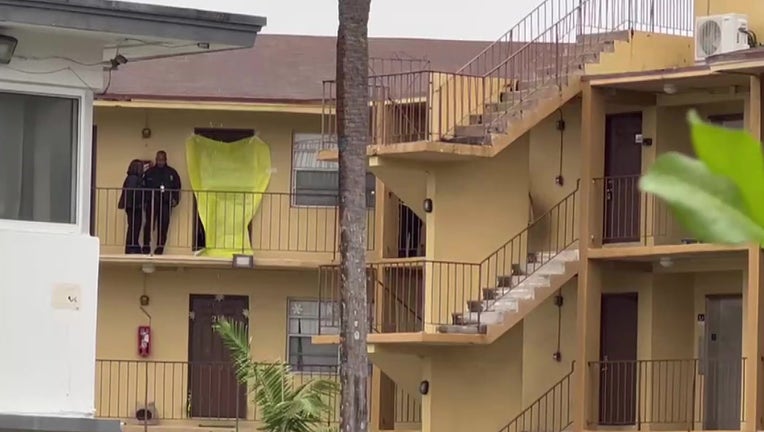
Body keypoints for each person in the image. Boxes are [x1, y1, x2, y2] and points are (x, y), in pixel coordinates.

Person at [143, 150, 181, 255]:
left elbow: (177, 187)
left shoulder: (172, 172)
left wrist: (175, 200)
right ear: (156, 159)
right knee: (149, 224)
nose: (160, 162)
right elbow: (144, 187)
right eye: (158, 160)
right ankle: (146, 247)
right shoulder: (149, 172)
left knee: (163, 225)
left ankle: (160, 248)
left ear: (165, 160)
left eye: (162, 160)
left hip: (165, 202)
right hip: (152, 201)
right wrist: (145, 201)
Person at [117, 159, 145, 254]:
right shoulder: (133, 178)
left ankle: (133, 245)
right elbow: (133, 192)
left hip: (133, 206)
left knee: (135, 226)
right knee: (134, 226)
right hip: (134, 206)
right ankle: (131, 247)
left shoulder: (133, 178)